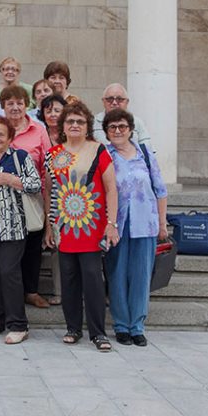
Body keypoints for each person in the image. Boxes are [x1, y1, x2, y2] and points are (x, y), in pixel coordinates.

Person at [44, 101, 119, 352]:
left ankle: (98, 333)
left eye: (80, 121)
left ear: (87, 126)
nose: (74, 125)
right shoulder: (53, 154)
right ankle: (73, 328)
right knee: (69, 280)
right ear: (63, 126)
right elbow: (49, 191)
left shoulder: (99, 150)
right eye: (70, 121)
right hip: (64, 227)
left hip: (91, 227)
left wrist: (111, 223)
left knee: (93, 281)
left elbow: (111, 189)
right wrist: (49, 225)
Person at [0, 116, 42, 344]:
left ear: (10, 137)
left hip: (12, 229)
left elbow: (35, 184)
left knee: (9, 274)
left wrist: (11, 179)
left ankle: (18, 324)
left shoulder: (19, 158)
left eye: (1, 134)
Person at [103, 109, 168, 347]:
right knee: (117, 273)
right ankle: (121, 325)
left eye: (122, 126)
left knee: (141, 275)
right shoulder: (105, 156)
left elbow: (160, 190)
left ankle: (137, 326)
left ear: (131, 129)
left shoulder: (145, 154)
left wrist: (162, 223)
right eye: (112, 127)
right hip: (116, 224)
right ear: (107, 132)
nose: (118, 131)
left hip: (145, 222)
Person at [0, 85, 51, 309]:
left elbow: (46, 164)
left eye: (19, 103)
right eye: (10, 103)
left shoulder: (38, 129)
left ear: (26, 105)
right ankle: (8, 292)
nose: (15, 107)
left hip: (32, 196)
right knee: (8, 247)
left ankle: (31, 290)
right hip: (3, 198)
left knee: (31, 244)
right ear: (3, 106)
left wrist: (44, 193)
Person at [37, 94, 67, 305]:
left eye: (57, 110)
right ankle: (51, 290)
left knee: (66, 246)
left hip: (71, 198)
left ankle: (68, 291)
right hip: (42, 195)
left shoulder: (72, 136)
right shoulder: (39, 133)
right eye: (49, 110)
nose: (53, 114)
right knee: (49, 243)